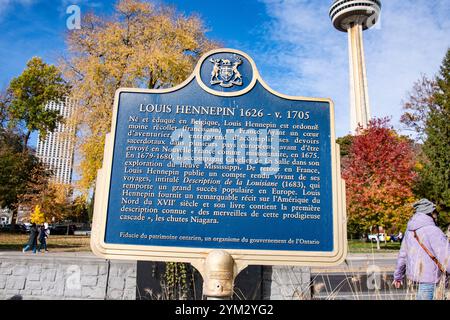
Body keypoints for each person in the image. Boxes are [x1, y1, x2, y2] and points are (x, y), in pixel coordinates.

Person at [393, 199, 450, 300]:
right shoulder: (433, 230)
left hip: (415, 278)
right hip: (431, 279)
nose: (436, 214)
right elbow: (446, 257)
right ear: (430, 213)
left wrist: (398, 276)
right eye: (435, 211)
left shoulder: (410, 230)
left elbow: (402, 255)